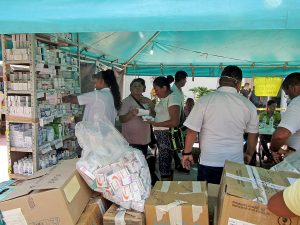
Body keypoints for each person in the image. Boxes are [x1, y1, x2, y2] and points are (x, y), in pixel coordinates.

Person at [181, 65, 258, 184]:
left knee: (208, 199)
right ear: (239, 84)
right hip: (235, 162)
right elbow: (253, 135)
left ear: (220, 81)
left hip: (209, 161)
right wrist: (249, 154)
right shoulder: (249, 105)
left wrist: (187, 153)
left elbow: (192, 131)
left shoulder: (205, 100)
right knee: (231, 201)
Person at [146, 76, 181, 181]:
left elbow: (175, 121)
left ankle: (165, 190)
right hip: (161, 135)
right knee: (165, 164)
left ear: (164, 88)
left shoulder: (173, 97)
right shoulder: (164, 98)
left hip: (166, 135)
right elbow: (160, 114)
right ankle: (168, 187)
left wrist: (155, 124)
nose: (155, 92)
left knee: (164, 165)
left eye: (157, 89)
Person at [119, 78, 154, 156]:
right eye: (135, 86)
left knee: (143, 160)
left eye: (140, 86)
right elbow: (121, 119)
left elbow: (154, 115)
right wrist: (131, 113)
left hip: (144, 138)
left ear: (143, 88)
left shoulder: (147, 100)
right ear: (130, 89)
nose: (137, 88)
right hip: (131, 139)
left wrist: (151, 103)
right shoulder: (126, 101)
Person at [270, 72, 300, 162]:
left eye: (287, 93)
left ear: (292, 87)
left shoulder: (297, 102)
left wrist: (274, 149)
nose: (288, 96)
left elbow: (280, 136)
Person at [171, 70, 189, 173]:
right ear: (181, 79)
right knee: (174, 143)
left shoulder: (179, 90)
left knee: (177, 143)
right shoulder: (173, 90)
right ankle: (178, 163)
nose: (185, 82)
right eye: (185, 79)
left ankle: (179, 162)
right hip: (174, 120)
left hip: (179, 120)